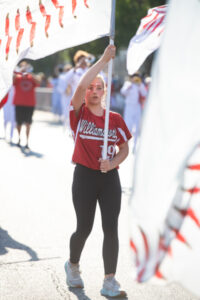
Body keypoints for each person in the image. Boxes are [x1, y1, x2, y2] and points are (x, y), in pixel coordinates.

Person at [65, 45, 132, 298]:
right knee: (84, 227)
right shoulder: (79, 114)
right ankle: (72, 265)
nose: (93, 91)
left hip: (109, 178)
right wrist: (104, 60)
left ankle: (109, 281)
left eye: (98, 87)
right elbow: (79, 88)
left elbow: (125, 148)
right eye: (91, 87)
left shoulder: (114, 119)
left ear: (105, 91)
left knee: (111, 227)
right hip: (84, 176)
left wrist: (113, 163)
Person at [57, 50, 94, 129]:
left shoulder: (90, 70)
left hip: (89, 99)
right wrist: (75, 68)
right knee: (77, 121)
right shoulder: (74, 71)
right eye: (81, 60)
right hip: (77, 99)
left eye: (85, 59)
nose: (84, 62)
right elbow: (66, 80)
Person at [13, 61, 40, 149]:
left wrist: (30, 73)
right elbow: (12, 80)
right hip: (19, 103)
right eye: (23, 66)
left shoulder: (31, 77)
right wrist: (19, 71)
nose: (24, 68)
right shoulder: (18, 77)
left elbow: (38, 82)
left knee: (28, 123)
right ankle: (19, 139)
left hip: (29, 104)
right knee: (19, 123)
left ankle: (27, 142)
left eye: (26, 66)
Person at [120, 72, 147, 152]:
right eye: (134, 77)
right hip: (129, 108)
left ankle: (135, 146)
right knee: (128, 127)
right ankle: (126, 146)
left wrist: (140, 86)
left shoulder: (140, 85)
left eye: (137, 77)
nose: (135, 78)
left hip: (137, 107)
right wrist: (130, 86)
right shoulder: (128, 84)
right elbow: (123, 92)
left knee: (137, 127)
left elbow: (145, 94)